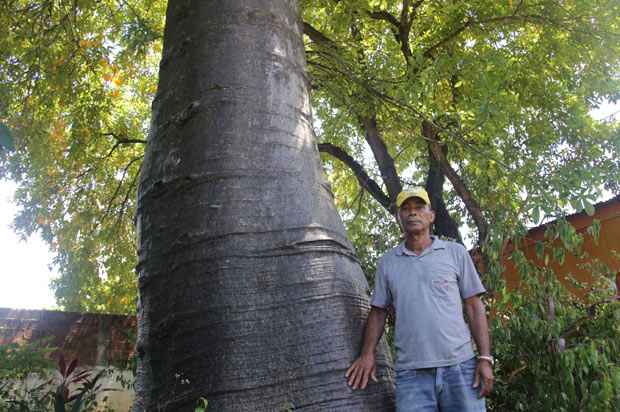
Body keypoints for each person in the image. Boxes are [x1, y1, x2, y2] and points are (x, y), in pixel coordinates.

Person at [346, 188, 494, 411]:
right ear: (399, 218)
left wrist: (484, 357)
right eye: (405, 209)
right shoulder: (388, 263)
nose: (412, 213)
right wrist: (367, 354)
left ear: (431, 215)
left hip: (461, 368)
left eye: (419, 208)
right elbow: (378, 312)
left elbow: (474, 306)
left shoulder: (455, 253)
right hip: (411, 374)